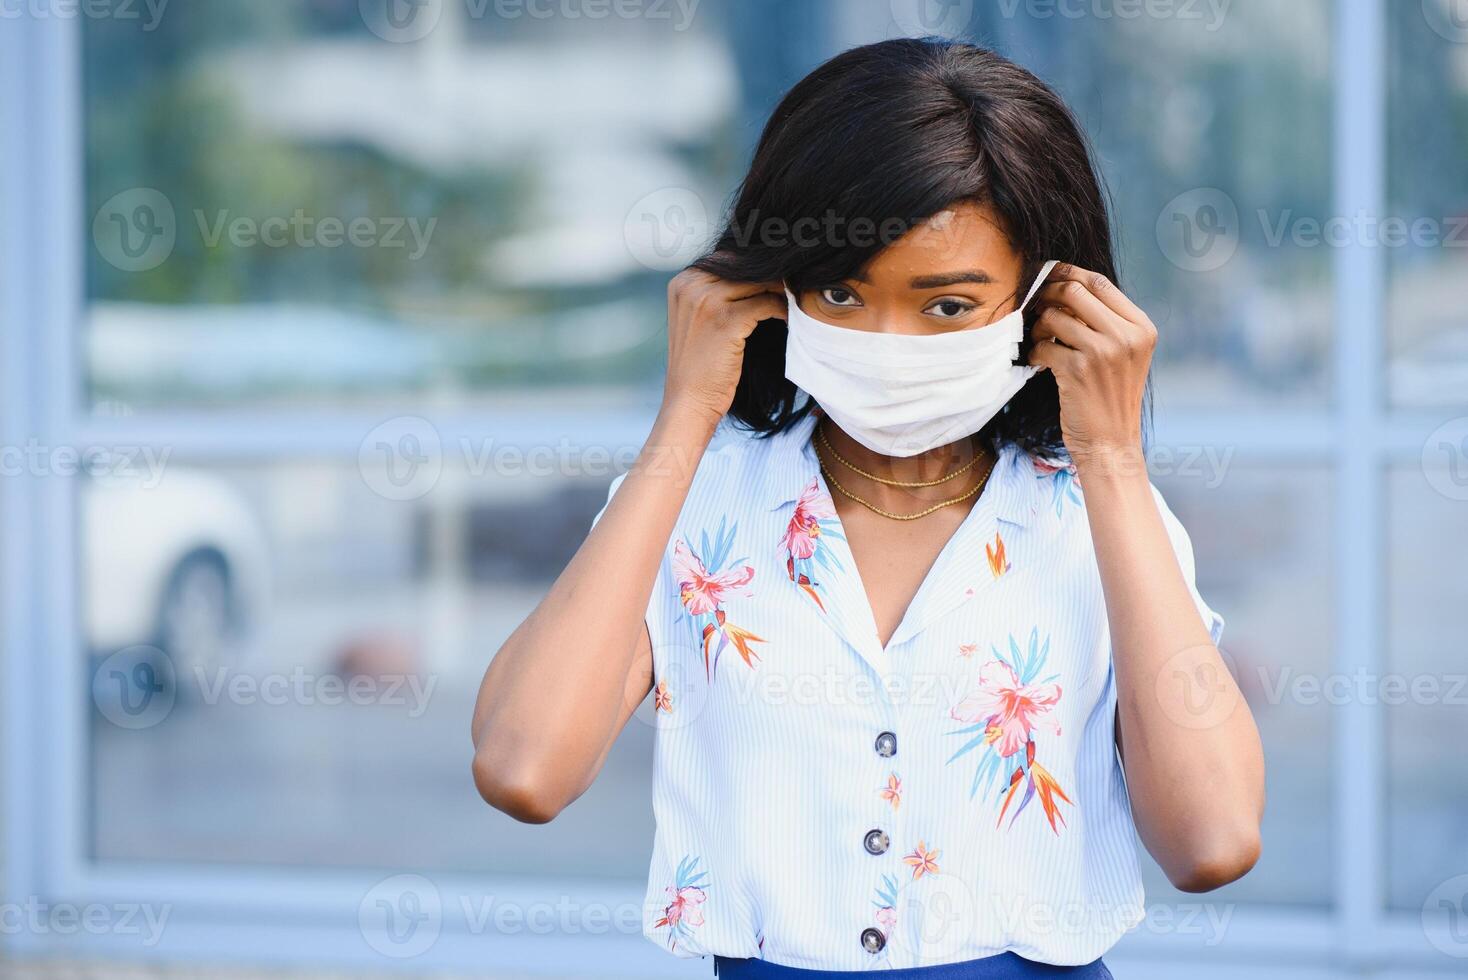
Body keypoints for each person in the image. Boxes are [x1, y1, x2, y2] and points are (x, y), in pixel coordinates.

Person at [471, 37, 1264, 978]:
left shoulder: (1097, 521)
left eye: (946, 307)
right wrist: (686, 413)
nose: (886, 341)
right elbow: (524, 768)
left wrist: (1113, 458)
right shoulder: (698, 503)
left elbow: (1211, 839)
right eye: (843, 292)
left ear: (1046, 300)